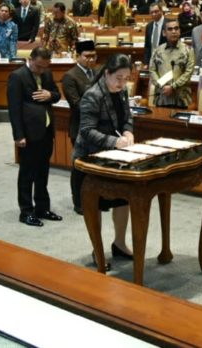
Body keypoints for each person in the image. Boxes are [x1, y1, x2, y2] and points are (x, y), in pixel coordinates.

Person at [73, 53, 137, 269]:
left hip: (115, 157)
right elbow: (86, 131)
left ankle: (119, 243)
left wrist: (128, 133)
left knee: (122, 199)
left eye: (126, 78)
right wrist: (114, 141)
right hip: (90, 159)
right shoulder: (93, 95)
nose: (122, 83)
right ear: (107, 73)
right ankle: (97, 250)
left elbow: (127, 118)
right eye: (118, 78)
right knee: (96, 206)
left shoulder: (122, 91)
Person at [8, 47, 62, 227]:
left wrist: (49, 95)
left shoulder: (46, 74)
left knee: (42, 172)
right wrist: (18, 135)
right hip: (29, 133)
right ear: (30, 59)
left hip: (46, 131)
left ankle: (42, 208)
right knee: (27, 173)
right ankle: (26, 211)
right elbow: (14, 109)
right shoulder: (17, 76)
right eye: (38, 66)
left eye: (44, 67)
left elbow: (56, 95)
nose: (41, 70)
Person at [62, 40, 98, 215]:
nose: (90, 60)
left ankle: (95, 199)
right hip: (80, 128)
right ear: (78, 56)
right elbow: (76, 104)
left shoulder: (97, 73)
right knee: (79, 168)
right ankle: (78, 202)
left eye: (93, 56)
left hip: (98, 129)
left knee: (96, 167)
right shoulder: (71, 76)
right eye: (87, 56)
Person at [150, 18, 193, 108]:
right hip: (162, 97)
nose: (174, 31)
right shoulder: (158, 50)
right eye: (170, 29)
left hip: (181, 97)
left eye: (176, 28)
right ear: (164, 33)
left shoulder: (188, 50)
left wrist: (173, 86)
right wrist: (161, 86)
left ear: (180, 31)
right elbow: (152, 70)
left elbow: (188, 72)